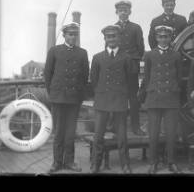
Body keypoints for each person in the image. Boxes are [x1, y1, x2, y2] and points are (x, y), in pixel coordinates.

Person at [44, 22, 89, 173]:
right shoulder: (54, 51)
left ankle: (69, 161)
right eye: (70, 34)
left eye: (75, 34)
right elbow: (48, 74)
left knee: (70, 133)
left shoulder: (82, 53)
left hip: (74, 99)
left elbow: (84, 76)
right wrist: (53, 93)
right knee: (58, 133)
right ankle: (56, 162)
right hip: (58, 97)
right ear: (64, 35)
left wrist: (79, 96)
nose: (73, 37)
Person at [138, 25, 182, 174]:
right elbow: (147, 77)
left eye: (166, 37)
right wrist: (143, 95)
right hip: (154, 98)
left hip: (171, 99)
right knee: (154, 133)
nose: (164, 39)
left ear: (170, 38)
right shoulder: (149, 55)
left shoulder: (176, 55)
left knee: (171, 133)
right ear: (156, 38)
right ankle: (153, 162)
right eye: (161, 37)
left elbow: (179, 78)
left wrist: (176, 95)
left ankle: (171, 162)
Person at [90, 25, 132, 174]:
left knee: (122, 136)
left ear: (119, 38)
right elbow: (93, 81)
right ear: (105, 39)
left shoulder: (126, 57)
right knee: (98, 136)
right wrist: (102, 93)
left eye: (114, 36)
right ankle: (96, 164)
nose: (112, 39)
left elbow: (130, 81)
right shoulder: (97, 57)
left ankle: (125, 164)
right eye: (109, 37)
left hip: (119, 101)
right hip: (102, 101)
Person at [114, 0, 145, 136]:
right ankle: (117, 127)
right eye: (121, 10)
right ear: (117, 12)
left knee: (133, 98)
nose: (123, 13)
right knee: (119, 96)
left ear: (129, 12)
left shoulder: (136, 28)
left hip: (132, 67)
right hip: (118, 68)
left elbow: (141, 48)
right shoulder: (113, 28)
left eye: (125, 10)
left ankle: (136, 127)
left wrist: (133, 60)